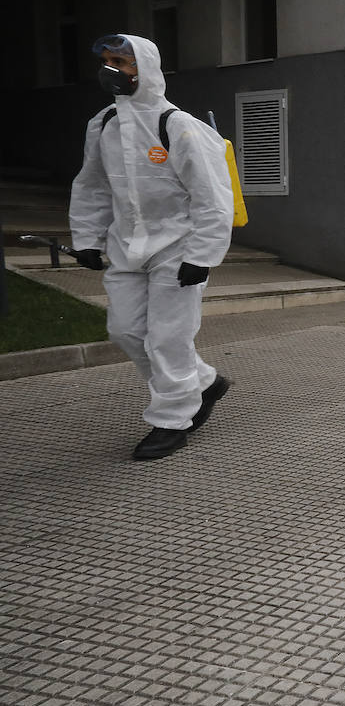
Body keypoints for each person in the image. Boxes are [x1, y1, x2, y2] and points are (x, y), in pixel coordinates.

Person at [68, 34, 235, 460]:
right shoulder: (103, 123)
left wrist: (202, 255)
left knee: (167, 337)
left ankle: (173, 419)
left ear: (144, 66)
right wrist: (86, 237)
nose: (112, 70)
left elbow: (213, 197)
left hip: (177, 248)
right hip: (126, 247)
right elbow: (92, 186)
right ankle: (202, 381)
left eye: (121, 62)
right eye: (106, 61)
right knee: (124, 331)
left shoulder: (178, 125)